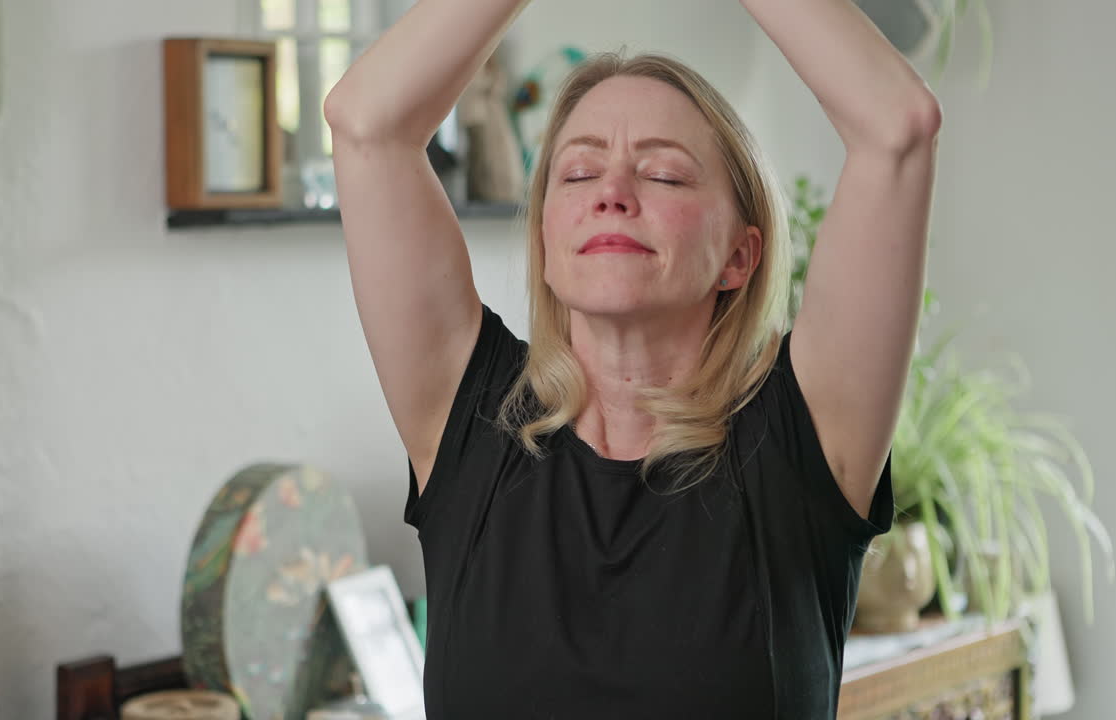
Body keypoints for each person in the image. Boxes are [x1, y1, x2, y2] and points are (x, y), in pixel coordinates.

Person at [325, 0, 939, 716]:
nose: (612, 194)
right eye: (580, 174)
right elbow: (365, 124)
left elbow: (898, 127)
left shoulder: (804, 440)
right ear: (548, 240)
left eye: (665, 176)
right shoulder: (469, 423)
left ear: (740, 255)